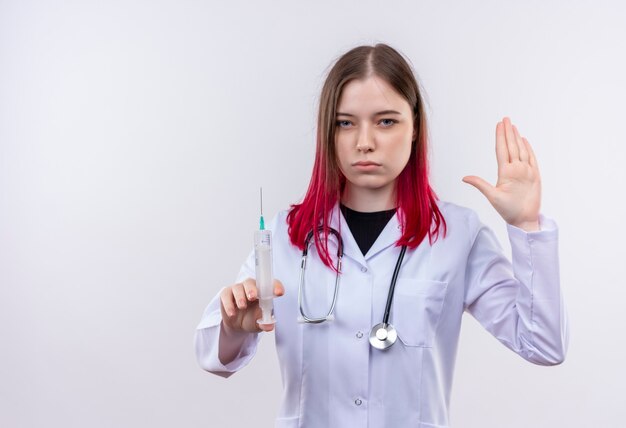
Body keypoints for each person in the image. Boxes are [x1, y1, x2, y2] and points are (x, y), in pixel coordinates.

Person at [194, 43, 568, 427]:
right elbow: (210, 355)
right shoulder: (286, 234)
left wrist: (525, 225)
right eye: (345, 122)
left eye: (386, 121)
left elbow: (541, 343)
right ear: (328, 131)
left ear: (415, 127)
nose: (364, 142)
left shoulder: (458, 235)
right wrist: (232, 326)